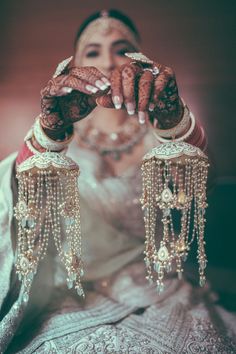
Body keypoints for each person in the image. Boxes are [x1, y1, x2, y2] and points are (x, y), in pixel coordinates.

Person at [0, 9, 235, 353]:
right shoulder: (56, 134)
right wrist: (49, 135)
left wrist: (176, 124)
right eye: (93, 52)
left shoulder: (163, 131)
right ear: (75, 67)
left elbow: (206, 183)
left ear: (141, 62)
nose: (109, 60)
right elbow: (20, 203)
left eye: (122, 48)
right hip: (75, 294)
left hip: (159, 289)